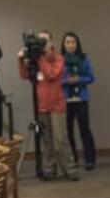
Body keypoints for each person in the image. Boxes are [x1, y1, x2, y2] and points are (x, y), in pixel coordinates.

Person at [18, 30, 78, 180]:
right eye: (40, 41)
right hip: (41, 105)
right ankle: (50, 170)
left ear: (51, 42)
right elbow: (25, 75)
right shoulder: (36, 59)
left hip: (57, 105)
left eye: (44, 41)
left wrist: (40, 59)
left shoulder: (58, 58)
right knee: (47, 141)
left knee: (60, 139)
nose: (41, 44)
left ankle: (71, 170)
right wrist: (21, 60)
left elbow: (51, 74)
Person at [61, 31, 97, 170]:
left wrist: (79, 79)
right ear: (63, 45)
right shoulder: (60, 60)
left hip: (81, 98)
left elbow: (91, 77)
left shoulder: (84, 58)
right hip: (66, 99)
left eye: (73, 42)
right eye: (68, 42)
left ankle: (90, 159)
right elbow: (57, 80)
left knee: (85, 129)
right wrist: (66, 81)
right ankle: (73, 159)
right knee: (67, 130)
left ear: (77, 44)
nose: (71, 45)